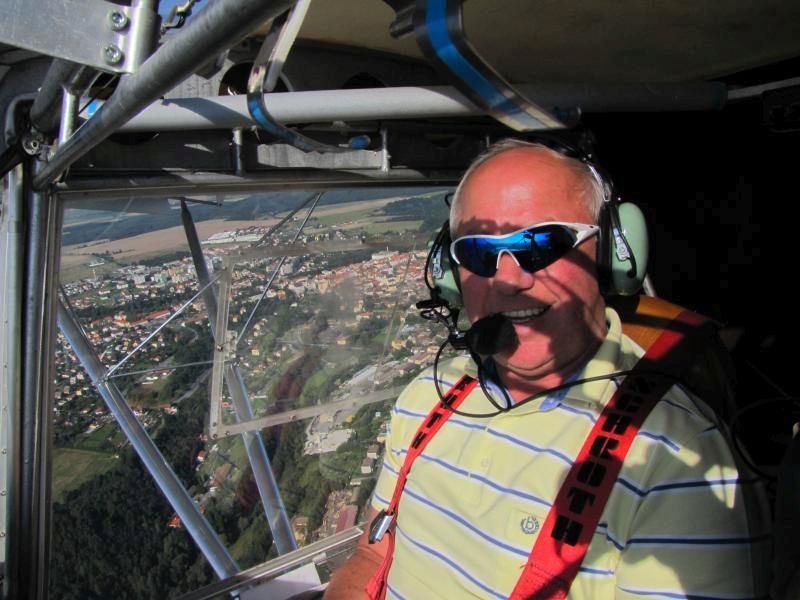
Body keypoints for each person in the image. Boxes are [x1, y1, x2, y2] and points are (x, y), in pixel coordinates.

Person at [324, 140, 770, 599]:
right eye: (478, 253)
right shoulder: (426, 396)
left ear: (612, 254)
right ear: (449, 272)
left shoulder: (677, 460)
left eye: (541, 243)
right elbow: (373, 554)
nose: (508, 279)